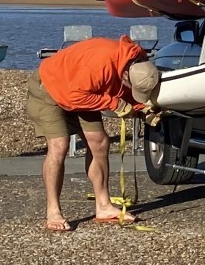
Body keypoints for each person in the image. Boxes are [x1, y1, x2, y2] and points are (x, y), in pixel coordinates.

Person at [26, 36, 162, 232]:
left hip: (84, 88)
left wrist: (143, 109)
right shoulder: (100, 67)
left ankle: (104, 206)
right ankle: (53, 211)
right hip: (50, 87)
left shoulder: (135, 63)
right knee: (59, 145)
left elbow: (124, 90)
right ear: (125, 75)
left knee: (99, 142)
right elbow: (75, 97)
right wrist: (115, 104)